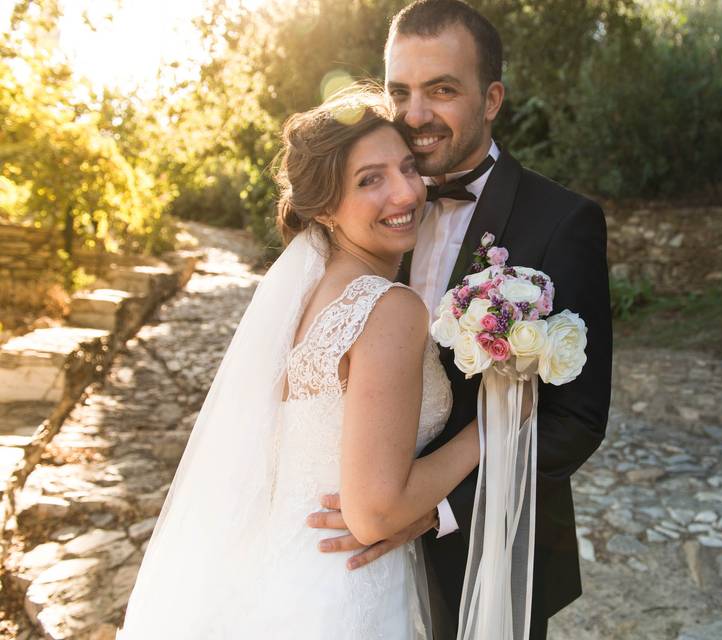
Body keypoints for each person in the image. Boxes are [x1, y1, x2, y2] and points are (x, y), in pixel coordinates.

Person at [116, 87, 480, 639]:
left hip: (278, 576)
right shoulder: (389, 307)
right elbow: (375, 515)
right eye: (370, 180)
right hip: (344, 593)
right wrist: (492, 429)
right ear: (324, 208)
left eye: (407, 167)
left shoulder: (308, 293)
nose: (406, 192)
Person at [309, 2, 614, 638]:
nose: (415, 116)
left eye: (442, 90)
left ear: (492, 97)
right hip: (349, 564)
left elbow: (576, 419)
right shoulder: (366, 207)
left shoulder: (563, 222)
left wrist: (438, 511)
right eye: (400, 92)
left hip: (490, 547)